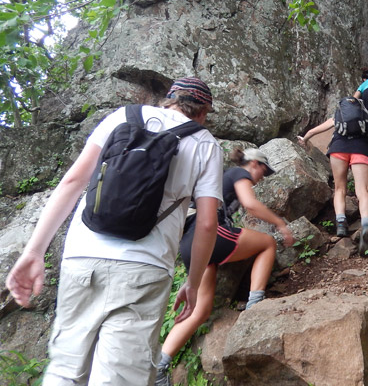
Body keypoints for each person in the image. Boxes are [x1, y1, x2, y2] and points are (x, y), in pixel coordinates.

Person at [5, 77, 223, 386]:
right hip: (145, 267)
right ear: (203, 113)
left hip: (83, 258)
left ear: (168, 99)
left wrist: (34, 251)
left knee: (65, 371)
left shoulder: (122, 117)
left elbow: (72, 182)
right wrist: (192, 281)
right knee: (120, 379)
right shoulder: (205, 144)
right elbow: (206, 223)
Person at [155, 147, 295, 386]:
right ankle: (255, 305)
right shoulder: (237, 174)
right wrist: (280, 223)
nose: (262, 177)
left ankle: (159, 366)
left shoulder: (222, 178)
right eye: (263, 170)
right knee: (268, 243)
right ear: (255, 164)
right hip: (209, 235)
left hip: (189, 245)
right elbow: (250, 204)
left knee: (200, 310)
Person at [297, 98, 368, 256]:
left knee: (339, 189)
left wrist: (304, 139)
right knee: (363, 190)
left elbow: (312, 131)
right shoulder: (366, 119)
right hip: (361, 150)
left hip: (338, 150)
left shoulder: (337, 117)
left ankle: (341, 223)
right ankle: (365, 224)